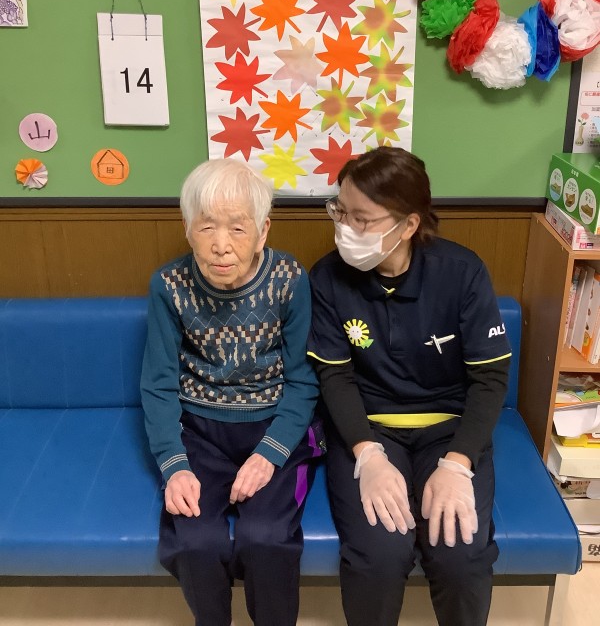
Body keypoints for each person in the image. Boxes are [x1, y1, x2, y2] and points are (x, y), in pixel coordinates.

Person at [307, 146, 511, 626]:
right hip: (368, 431)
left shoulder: (461, 273)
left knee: (460, 553)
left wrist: (458, 464)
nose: (345, 228)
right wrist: (367, 455)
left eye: (362, 219)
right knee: (379, 553)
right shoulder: (327, 279)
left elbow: (489, 377)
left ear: (409, 225)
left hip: (448, 429)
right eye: (340, 211)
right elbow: (335, 376)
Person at [140, 158, 321, 626]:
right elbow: (159, 384)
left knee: (266, 537)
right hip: (199, 432)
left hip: (274, 424)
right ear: (187, 229)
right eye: (206, 227)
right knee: (196, 542)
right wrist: (174, 464)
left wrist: (271, 453)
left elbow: (304, 380)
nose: (221, 245)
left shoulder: (289, 278)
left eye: (238, 229)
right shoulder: (168, 285)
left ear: (262, 232)